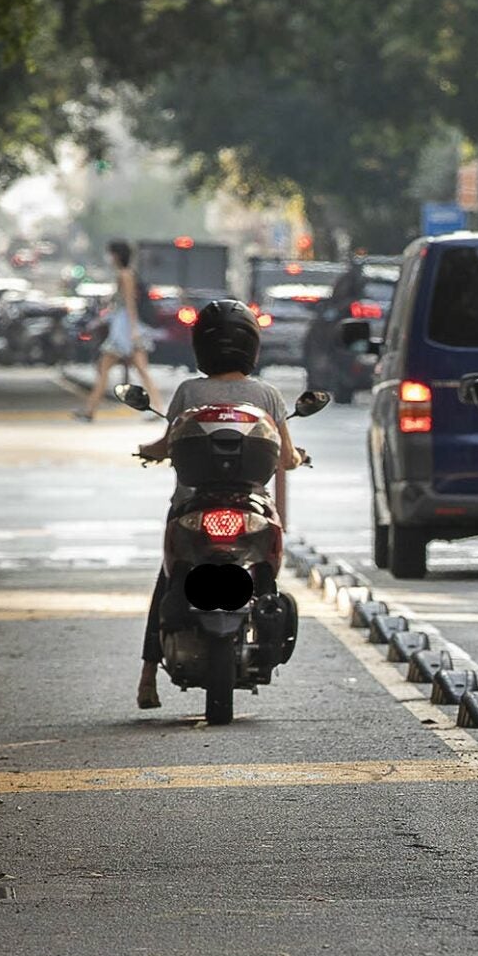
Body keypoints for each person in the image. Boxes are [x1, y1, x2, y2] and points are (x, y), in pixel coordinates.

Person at [133, 299, 310, 709]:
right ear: (251, 345)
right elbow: (285, 457)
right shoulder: (266, 394)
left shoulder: (188, 391)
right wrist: (298, 457)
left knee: (169, 583)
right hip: (251, 510)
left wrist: (149, 450)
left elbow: (167, 443)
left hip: (191, 508)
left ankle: (147, 678)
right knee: (266, 577)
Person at [78, 239, 157, 421]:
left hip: (124, 330)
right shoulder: (124, 274)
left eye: (111, 253)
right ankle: (90, 411)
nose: (109, 257)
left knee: (105, 369)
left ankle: (90, 411)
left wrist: (133, 330)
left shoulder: (125, 275)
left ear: (116, 255)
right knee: (137, 370)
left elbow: (129, 304)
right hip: (124, 327)